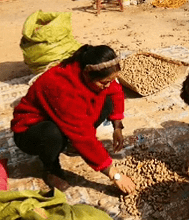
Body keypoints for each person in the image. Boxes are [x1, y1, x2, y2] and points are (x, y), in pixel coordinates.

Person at [11, 44, 136, 194]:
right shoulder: (63, 89)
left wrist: (117, 127)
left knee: (107, 103)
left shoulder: (96, 75)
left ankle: (69, 143)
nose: (108, 85)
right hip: (31, 130)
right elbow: (83, 137)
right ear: (87, 74)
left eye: (112, 80)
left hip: (64, 119)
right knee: (52, 134)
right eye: (104, 83)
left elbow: (115, 92)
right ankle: (51, 168)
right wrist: (115, 175)